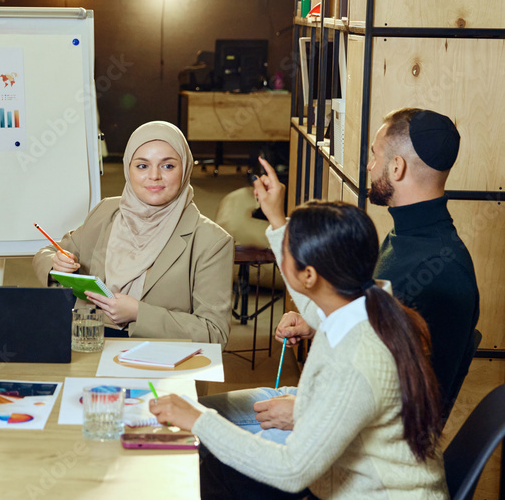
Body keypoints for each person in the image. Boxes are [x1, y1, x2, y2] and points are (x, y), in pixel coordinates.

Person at [150, 169, 448, 498]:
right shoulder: (363, 300)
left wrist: (198, 420)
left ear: (310, 275)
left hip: (373, 492)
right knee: (199, 419)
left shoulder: (357, 360)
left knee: (205, 452)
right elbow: (309, 301)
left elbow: (291, 470)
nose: (281, 254)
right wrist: (276, 217)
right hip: (334, 443)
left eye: (288, 249)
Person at [202, 108, 479, 440]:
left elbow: (405, 409)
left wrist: (307, 410)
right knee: (197, 412)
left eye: (375, 156)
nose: (369, 166)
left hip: (353, 434)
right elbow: (366, 322)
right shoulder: (409, 237)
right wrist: (317, 321)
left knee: (195, 437)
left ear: (397, 167)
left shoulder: (440, 271)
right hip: (331, 404)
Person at [32, 121, 234, 342]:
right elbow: (48, 253)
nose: (154, 176)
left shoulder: (211, 241)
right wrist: (56, 264)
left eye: (168, 166)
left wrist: (139, 313)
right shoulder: (106, 212)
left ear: (185, 169)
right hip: (89, 342)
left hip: (159, 354)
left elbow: (214, 332)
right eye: (142, 166)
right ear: (128, 168)